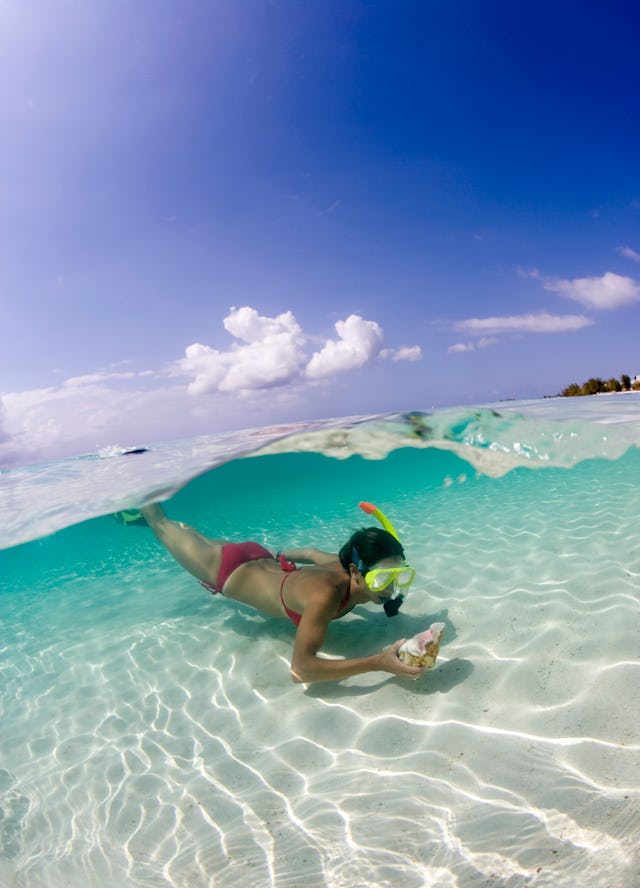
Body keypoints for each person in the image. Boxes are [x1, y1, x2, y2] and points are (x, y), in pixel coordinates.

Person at [130, 501, 426, 684]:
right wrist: (377, 663)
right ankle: (134, 466)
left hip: (259, 556)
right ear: (354, 572)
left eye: (400, 576)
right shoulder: (325, 596)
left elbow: (309, 553)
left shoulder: (342, 563)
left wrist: (277, 555)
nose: (390, 588)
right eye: (383, 578)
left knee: (191, 535)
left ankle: (144, 519)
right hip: (224, 569)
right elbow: (302, 670)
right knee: (162, 524)